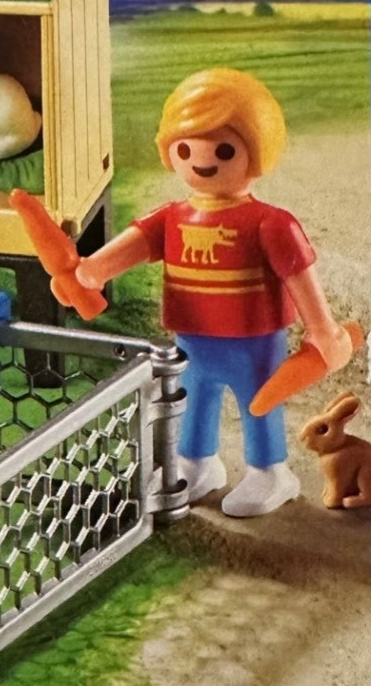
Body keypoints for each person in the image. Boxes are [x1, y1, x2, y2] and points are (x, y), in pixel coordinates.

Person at [74, 68, 353, 517]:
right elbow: (134, 244)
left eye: (224, 149)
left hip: (252, 338)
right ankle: (197, 462)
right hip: (192, 335)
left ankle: (270, 471)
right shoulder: (173, 216)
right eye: (185, 148)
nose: (202, 160)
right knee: (193, 396)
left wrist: (322, 327)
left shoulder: (270, 222)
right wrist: (90, 271)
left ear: (257, 151)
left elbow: (299, 274)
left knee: (258, 402)